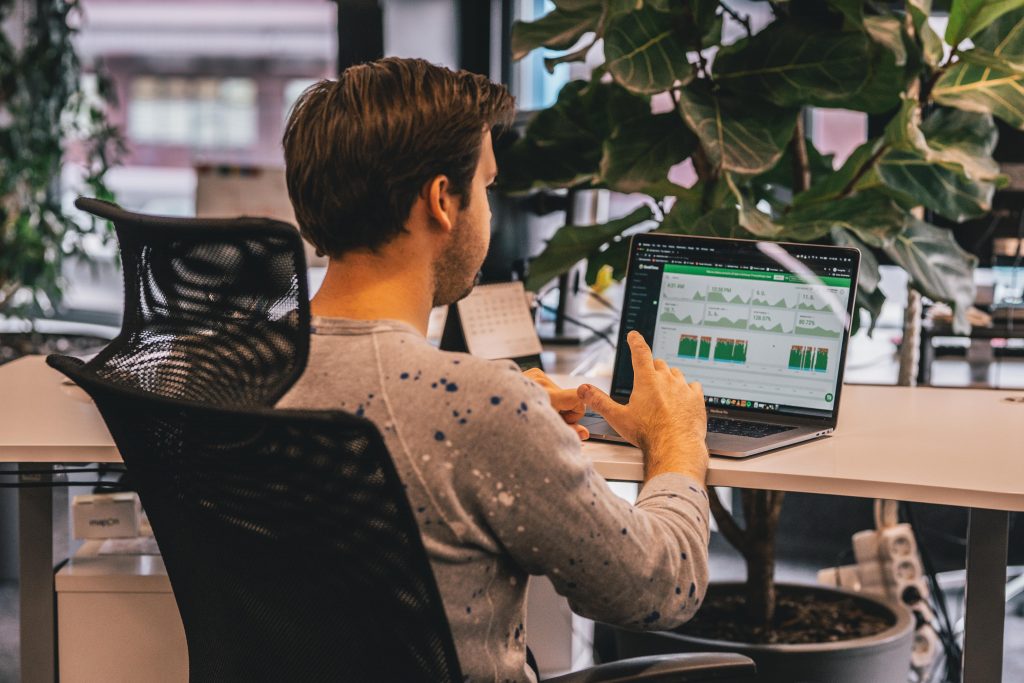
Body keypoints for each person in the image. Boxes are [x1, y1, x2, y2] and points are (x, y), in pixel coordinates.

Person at [277, 57, 711, 683]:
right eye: (486, 186)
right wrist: (675, 445)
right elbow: (658, 587)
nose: (489, 208)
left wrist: (502, 406)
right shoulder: (481, 410)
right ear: (442, 202)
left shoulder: (223, 368)